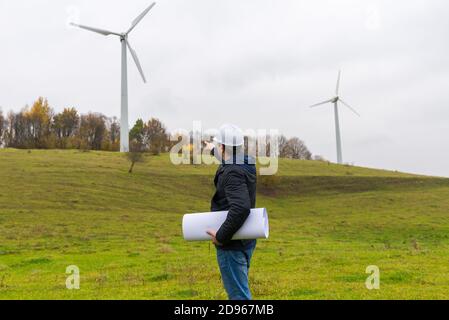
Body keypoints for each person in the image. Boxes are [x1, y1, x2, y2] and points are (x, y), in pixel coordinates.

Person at [204, 124, 257, 300]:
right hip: (245, 239)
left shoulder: (231, 171)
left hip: (231, 244)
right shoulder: (246, 162)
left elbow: (241, 208)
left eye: (219, 145)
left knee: (239, 297)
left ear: (224, 147)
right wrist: (212, 150)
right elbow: (229, 160)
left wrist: (221, 237)